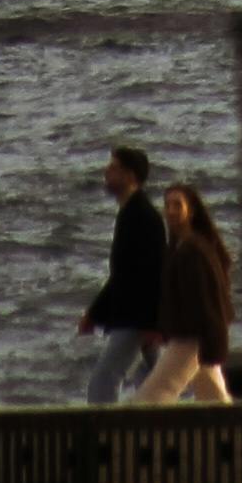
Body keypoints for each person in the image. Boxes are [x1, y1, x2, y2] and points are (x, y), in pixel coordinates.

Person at [81, 142, 167, 404]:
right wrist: (95, 314)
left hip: (137, 319)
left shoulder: (143, 217)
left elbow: (153, 273)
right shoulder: (130, 213)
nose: (106, 172)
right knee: (155, 381)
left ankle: (102, 428)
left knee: (103, 381)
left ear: (130, 176)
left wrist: (153, 324)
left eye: (114, 168)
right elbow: (122, 274)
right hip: (135, 317)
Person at [137, 181, 235, 405]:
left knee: (150, 400)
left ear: (191, 211)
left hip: (192, 339)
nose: (171, 211)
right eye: (167, 205)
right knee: (214, 399)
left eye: (177, 205)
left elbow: (207, 302)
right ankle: (237, 429)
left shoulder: (193, 250)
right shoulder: (181, 246)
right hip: (192, 337)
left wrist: (213, 344)